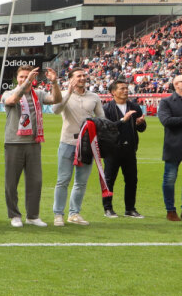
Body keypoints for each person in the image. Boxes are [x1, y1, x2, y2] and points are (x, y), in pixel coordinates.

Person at [1, 66, 61, 228]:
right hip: (14, 142)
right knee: (11, 182)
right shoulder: (9, 93)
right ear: (17, 78)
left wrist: (54, 82)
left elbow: (56, 100)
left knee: (35, 181)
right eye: (21, 77)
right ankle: (14, 215)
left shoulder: (39, 94)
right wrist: (26, 83)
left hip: (34, 143)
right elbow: (12, 101)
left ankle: (33, 216)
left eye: (27, 77)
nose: (24, 79)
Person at [50, 70, 105, 226]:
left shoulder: (94, 97)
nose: (82, 78)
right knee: (63, 180)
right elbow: (55, 110)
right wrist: (67, 91)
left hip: (87, 145)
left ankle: (74, 213)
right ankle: (58, 214)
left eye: (83, 75)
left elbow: (102, 118)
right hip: (67, 142)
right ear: (70, 79)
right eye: (78, 76)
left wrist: (94, 125)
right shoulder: (63, 94)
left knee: (81, 182)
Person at [101, 79, 146, 219]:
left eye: (126, 88)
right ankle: (108, 208)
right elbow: (105, 129)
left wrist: (140, 123)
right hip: (112, 150)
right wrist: (123, 121)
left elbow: (142, 129)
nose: (125, 90)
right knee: (109, 180)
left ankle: (130, 209)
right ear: (113, 92)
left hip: (130, 149)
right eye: (121, 88)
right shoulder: (106, 108)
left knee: (132, 180)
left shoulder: (134, 107)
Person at [158, 74, 182, 221]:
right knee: (169, 179)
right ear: (175, 85)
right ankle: (170, 210)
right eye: (180, 81)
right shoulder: (166, 102)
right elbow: (166, 120)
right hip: (174, 145)